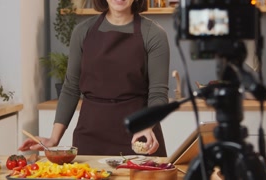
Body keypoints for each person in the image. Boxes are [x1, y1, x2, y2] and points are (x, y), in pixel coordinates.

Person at [19, 0, 170, 157]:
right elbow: (71, 88)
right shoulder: (83, 31)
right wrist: (53, 139)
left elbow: (158, 93)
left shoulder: (154, 34)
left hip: (138, 136)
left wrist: (148, 125)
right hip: (90, 137)